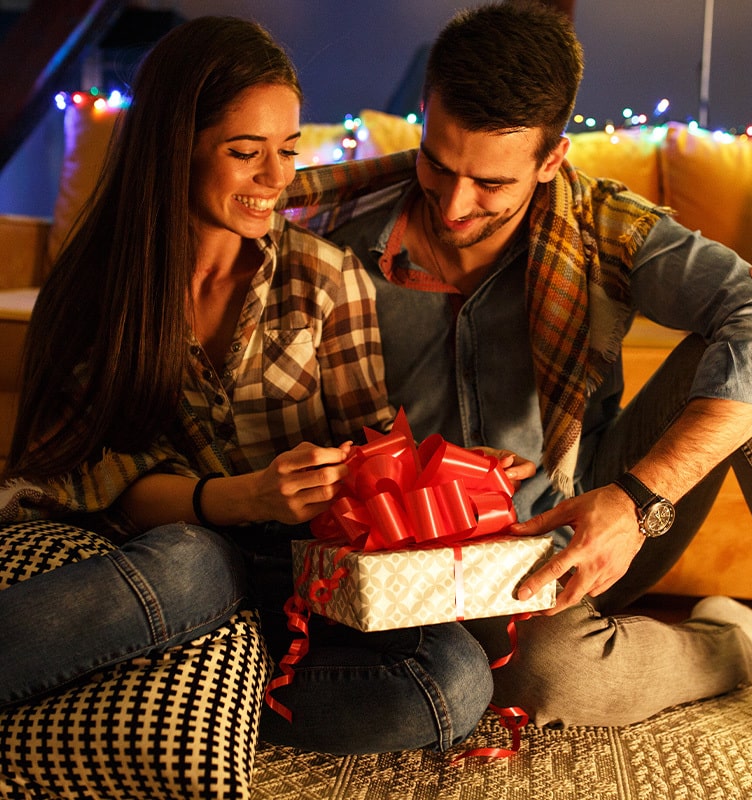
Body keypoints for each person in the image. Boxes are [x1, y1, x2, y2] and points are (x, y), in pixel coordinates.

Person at [0, 16, 497, 755]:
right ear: (176, 147)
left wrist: (451, 483)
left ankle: (132, 696)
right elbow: (74, 476)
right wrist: (233, 499)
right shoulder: (100, 288)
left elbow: (373, 460)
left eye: (288, 150)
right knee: (194, 562)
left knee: (449, 681)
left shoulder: (324, 280)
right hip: (155, 569)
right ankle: (152, 707)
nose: (277, 179)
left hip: (292, 585)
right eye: (245, 151)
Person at [316, 0, 752, 727]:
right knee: (557, 677)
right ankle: (748, 641)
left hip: (599, 513)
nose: (453, 207)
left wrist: (635, 501)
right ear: (424, 114)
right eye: (438, 165)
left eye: (492, 186)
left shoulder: (607, 223)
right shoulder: (339, 244)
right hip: (442, 570)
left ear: (550, 160)